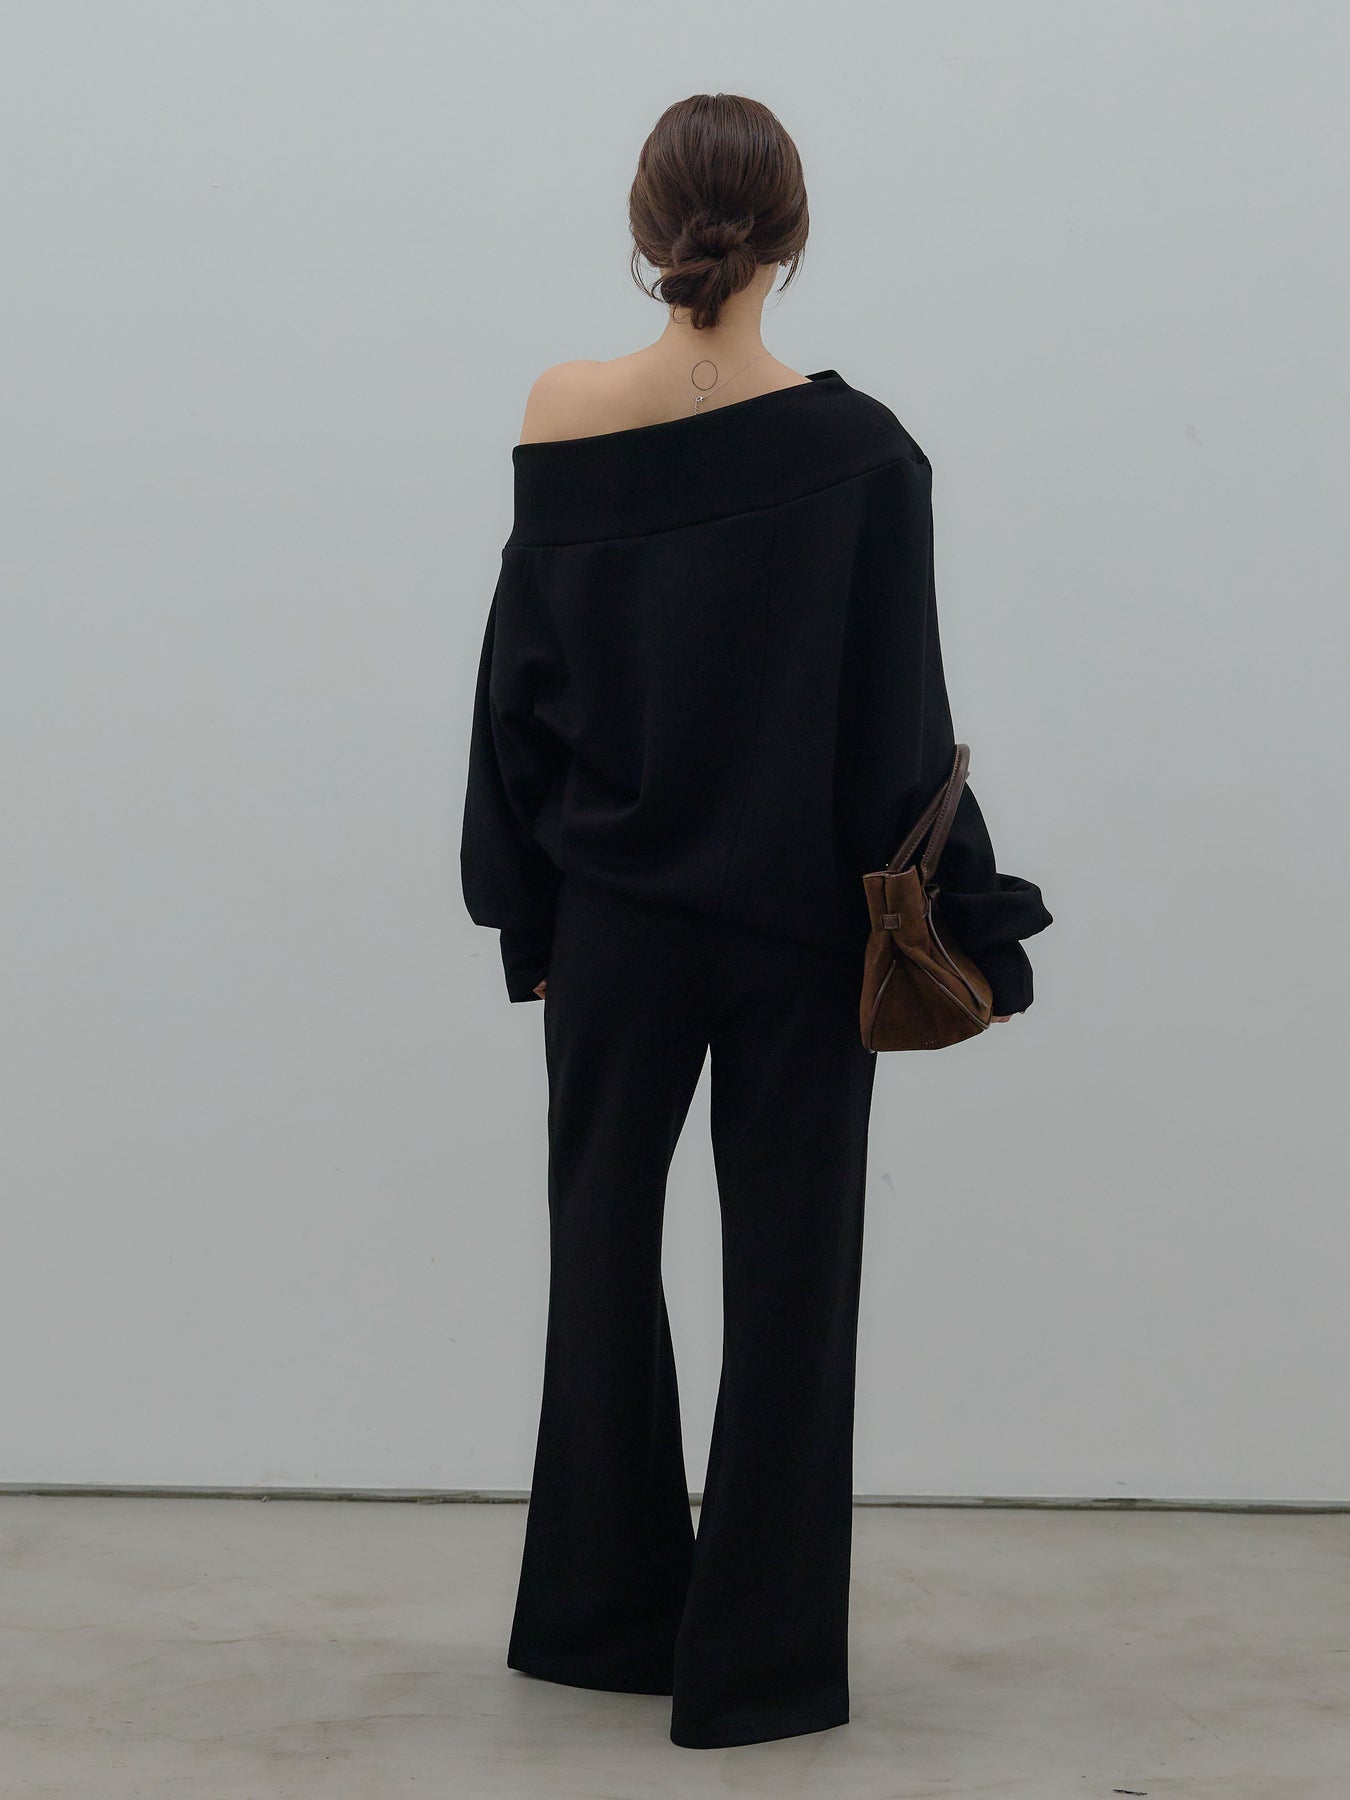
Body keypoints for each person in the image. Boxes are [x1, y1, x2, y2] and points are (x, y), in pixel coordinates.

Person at [459, 91, 1053, 1751]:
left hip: (613, 926)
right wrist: (979, 928)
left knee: (599, 1258)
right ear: (792, 233)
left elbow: (519, 688)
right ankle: (761, 1665)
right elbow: (899, 731)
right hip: (801, 935)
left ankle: (600, 1623)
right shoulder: (862, 456)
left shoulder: (561, 413)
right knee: (794, 1291)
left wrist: (526, 914)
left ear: (643, 227)